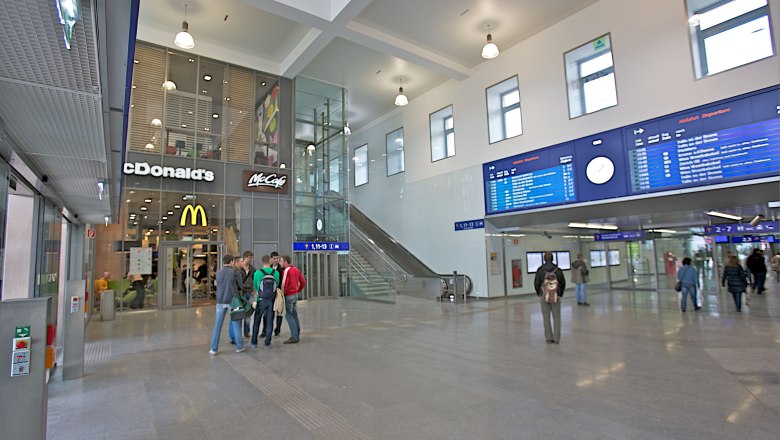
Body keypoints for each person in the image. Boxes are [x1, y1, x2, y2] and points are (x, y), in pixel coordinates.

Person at [209, 255, 245, 354]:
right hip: (233, 301)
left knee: (218, 325)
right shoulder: (235, 272)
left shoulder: (218, 273)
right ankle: (239, 347)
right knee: (236, 323)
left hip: (220, 301)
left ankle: (213, 349)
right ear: (232, 261)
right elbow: (241, 286)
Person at [533, 252, 565, 344]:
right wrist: (559, 293)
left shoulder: (540, 270)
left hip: (544, 295)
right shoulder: (558, 270)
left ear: (544, 259)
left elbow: (536, 282)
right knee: (557, 317)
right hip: (555, 295)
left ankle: (548, 337)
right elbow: (562, 282)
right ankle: (556, 338)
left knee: (546, 317)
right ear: (553, 258)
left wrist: (540, 293)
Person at [251, 255, 279, 349]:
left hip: (260, 300)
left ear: (262, 262)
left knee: (256, 321)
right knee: (269, 321)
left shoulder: (257, 273)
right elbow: (277, 285)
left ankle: (254, 342)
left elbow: (255, 287)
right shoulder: (276, 273)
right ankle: (267, 343)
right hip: (271, 300)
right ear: (270, 261)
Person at [280, 255, 306, 344]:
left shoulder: (286, 271)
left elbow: (283, 284)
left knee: (288, 316)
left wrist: (282, 295)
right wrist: (298, 290)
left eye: (281, 261)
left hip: (288, 296)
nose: (280, 263)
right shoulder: (296, 269)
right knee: (294, 315)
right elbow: (303, 282)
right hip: (295, 295)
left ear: (286, 262)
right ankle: (297, 333)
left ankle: (294, 336)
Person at [260, 251, 284, 337]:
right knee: (266, 313)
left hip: (277, 293)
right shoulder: (267, 269)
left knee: (278, 312)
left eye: (277, 258)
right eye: (274, 258)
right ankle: (264, 331)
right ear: (271, 259)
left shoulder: (281, 270)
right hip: (268, 294)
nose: (276, 260)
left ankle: (277, 330)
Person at [236, 251, 255, 339]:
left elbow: (254, 279)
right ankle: (238, 333)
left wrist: (255, 289)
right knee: (239, 313)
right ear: (245, 257)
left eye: (251, 258)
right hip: (241, 293)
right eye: (250, 258)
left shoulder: (252, 268)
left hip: (250, 293)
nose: (251, 259)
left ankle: (247, 332)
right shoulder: (239, 268)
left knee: (248, 313)